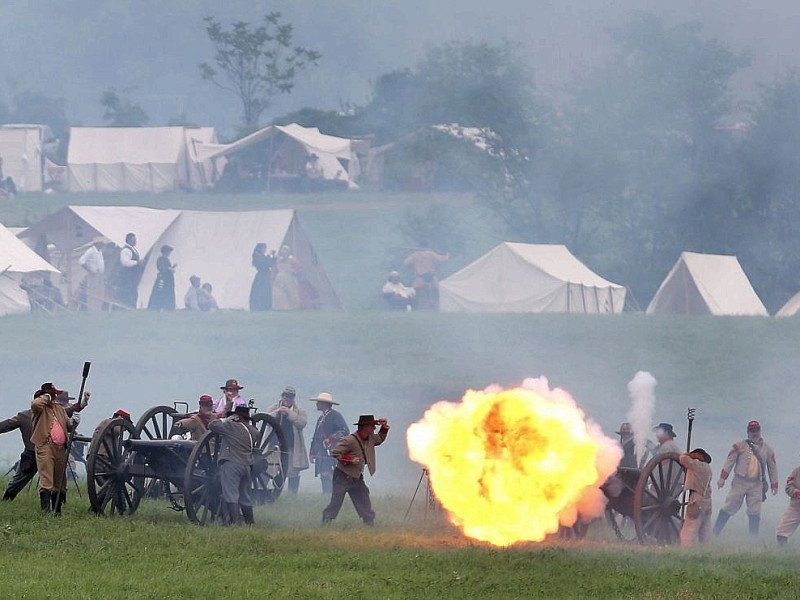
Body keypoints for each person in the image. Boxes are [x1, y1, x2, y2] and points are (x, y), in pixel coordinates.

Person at [322, 414, 390, 525]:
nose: (374, 428)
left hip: (357, 477)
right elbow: (335, 452)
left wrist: (385, 426)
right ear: (365, 427)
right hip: (342, 476)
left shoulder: (370, 438)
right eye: (372, 426)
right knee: (336, 503)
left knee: (364, 499)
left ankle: (369, 523)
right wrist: (350, 459)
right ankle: (326, 522)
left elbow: (380, 438)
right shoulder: (349, 440)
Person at [714, 420, 778, 537]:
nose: (755, 433)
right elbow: (730, 461)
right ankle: (715, 533)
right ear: (748, 432)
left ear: (760, 431)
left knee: (755, 511)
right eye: (752, 431)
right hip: (740, 481)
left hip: (756, 484)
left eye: (756, 430)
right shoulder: (740, 445)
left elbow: (772, 467)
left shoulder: (768, 449)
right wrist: (723, 478)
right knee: (730, 505)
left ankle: (753, 538)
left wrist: (774, 484)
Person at [30, 383, 79, 514]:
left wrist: (74, 422)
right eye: (53, 394)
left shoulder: (59, 409)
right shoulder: (39, 409)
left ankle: (57, 510)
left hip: (60, 448)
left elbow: (68, 426)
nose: (55, 397)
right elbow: (35, 404)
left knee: (60, 480)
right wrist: (46, 396)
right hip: (45, 445)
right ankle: (45, 511)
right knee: (47, 479)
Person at [209, 403, 259, 525]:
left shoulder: (231, 426)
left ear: (236, 417)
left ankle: (234, 522)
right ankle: (250, 521)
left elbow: (212, 425)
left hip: (232, 465)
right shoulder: (254, 431)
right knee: (244, 495)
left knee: (231, 494)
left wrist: (226, 419)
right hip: (247, 466)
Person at [267, 386, 309, 494]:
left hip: (291, 447)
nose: (287, 399)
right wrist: (278, 412)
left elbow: (302, 423)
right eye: (285, 396)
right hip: (274, 447)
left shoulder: (299, 411)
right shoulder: (274, 408)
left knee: (292, 471)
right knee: (270, 469)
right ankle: (267, 492)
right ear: (282, 396)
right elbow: (266, 419)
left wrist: (289, 413)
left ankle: (292, 495)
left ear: (293, 398)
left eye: (290, 397)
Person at [308, 392, 349, 494]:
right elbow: (316, 437)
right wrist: (312, 452)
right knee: (324, 474)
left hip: (333, 451)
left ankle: (333, 495)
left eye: (319, 402)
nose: (317, 404)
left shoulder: (336, 416)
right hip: (322, 451)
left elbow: (344, 431)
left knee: (331, 475)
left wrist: (330, 439)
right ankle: (326, 496)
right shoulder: (320, 418)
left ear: (324, 404)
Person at [679, 448, 713, 547]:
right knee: (705, 530)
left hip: (696, 499)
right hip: (707, 500)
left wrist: (689, 454)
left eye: (695, 454)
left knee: (689, 530)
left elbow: (682, 458)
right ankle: (707, 550)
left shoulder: (696, 465)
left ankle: (685, 552)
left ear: (699, 455)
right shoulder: (708, 468)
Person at [403, 241, 449, 310]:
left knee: (422, 296)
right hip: (432, 278)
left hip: (420, 279)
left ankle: (425, 308)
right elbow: (442, 259)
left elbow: (406, 263)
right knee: (434, 295)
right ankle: (434, 308)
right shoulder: (431, 254)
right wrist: (447, 255)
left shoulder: (415, 255)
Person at [115, 232, 143, 309]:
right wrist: (137, 262)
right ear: (129, 240)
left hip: (132, 277)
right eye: (134, 240)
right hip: (127, 277)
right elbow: (125, 262)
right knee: (128, 293)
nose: (135, 241)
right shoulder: (126, 250)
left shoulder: (133, 250)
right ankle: (125, 307)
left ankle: (131, 307)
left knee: (133, 292)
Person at [78, 236, 107, 311]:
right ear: (97, 244)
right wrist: (90, 270)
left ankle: (98, 309)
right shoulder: (90, 251)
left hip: (100, 274)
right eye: (101, 243)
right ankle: (92, 309)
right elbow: (81, 261)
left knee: (100, 292)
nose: (103, 245)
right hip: (94, 274)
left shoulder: (99, 251)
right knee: (93, 292)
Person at [272, 245, 301, 310]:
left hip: (289, 278)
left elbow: (299, 269)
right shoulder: (279, 260)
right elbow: (275, 270)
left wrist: (294, 272)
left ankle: (293, 307)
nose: (284, 254)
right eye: (283, 252)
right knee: (279, 293)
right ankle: (280, 307)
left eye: (285, 253)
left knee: (291, 293)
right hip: (279, 279)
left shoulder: (293, 260)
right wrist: (273, 277)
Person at [147, 244, 176, 311]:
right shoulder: (161, 259)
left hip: (168, 280)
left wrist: (172, 267)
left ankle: (166, 307)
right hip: (163, 279)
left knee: (167, 292)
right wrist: (169, 269)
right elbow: (162, 268)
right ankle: (157, 306)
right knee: (160, 292)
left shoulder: (166, 259)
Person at [249, 243, 276, 311]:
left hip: (265, 275)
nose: (264, 250)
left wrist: (272, 257)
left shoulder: (261, 256)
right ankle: (259, 306)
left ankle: (265, 306)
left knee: (265, 291)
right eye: (263, 248)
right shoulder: (257, 256)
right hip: (262, 276)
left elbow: (270, 263)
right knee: (260, 291)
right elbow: (266, 263)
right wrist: (270, 258)